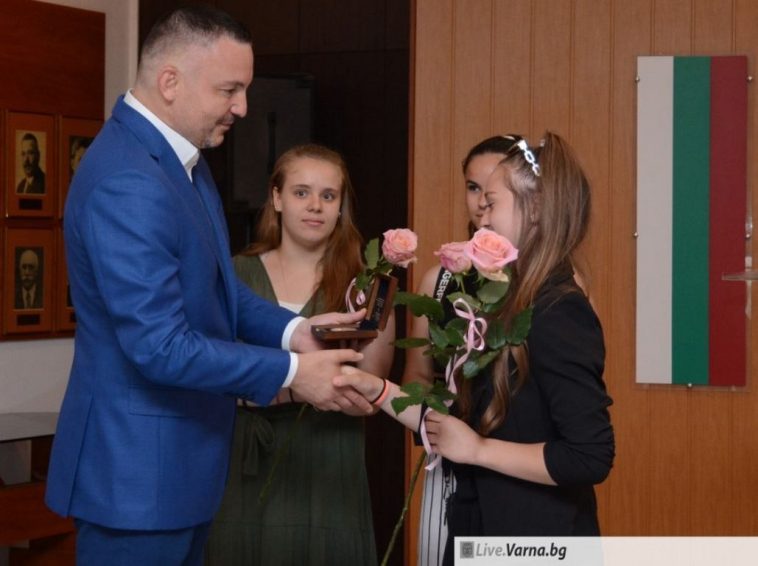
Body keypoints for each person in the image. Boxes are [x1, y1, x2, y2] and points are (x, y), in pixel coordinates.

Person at [45, 6, 371, 564]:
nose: (242, 107)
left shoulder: (179, 161)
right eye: (229, 90)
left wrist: (296, 332)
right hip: (137, 480)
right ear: (170, 81)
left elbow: (216, 288)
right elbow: (160, 346)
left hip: (176, 471)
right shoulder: (130, 179)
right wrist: (294, 373)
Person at [337, 131, 615, 566]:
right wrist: (375, 389)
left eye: (492, 203)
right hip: (479, 521)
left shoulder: (560, 309)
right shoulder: (505, 301)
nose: (481, 218)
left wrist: (478, 450)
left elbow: (589, 456)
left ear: (536, 208)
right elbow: (455, 428)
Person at [206, 144, 394, 565]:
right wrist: (296, 387)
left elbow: (371, 391)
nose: (315, 206)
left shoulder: (365, 285)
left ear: (341, 206)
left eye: (328, 195)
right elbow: (209, 372)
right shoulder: (234, 275)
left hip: (330, 458)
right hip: (245, 457)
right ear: (276, 198)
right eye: (301, 192)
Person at [404, 135, 516, 566]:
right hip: (449, 462)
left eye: (493, 188)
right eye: (472, 187)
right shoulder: (440, 279)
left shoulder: (547, 280)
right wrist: (437, 422)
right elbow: (416, 374)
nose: (482, 201)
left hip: (518, 466)